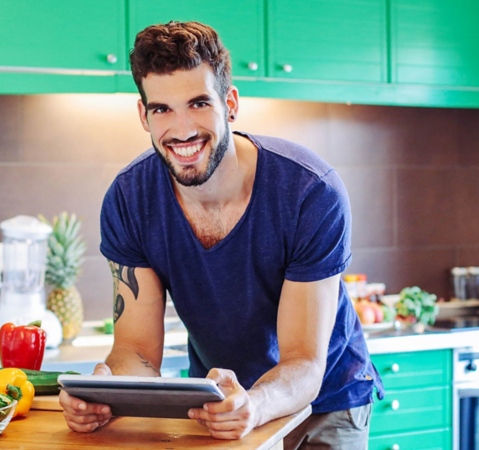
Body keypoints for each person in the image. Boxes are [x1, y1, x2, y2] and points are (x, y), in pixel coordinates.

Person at [58, 21, 384, 449]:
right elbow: (135, 350)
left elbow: (304, 361)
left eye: (198, 103)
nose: (182, 129)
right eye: (162, 109)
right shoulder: (130, 198)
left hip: (326, 401)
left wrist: (255, 404)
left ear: (229, 103)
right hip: (218, 404)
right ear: (143, 115)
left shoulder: (309, 191)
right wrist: (107, 390)